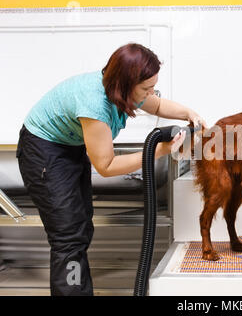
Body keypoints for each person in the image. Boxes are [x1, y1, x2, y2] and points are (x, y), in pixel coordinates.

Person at [16, 43, 206, 296]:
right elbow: (106, 166)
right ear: (127, 84)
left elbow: (157, 106)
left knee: (80, 226)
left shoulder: (119, 87)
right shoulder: (94, 103)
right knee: (69, 236)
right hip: (44, 153)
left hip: (68, 148)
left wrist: (189, 114)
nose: (151, 94)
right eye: (147, 89)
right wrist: (159, 150)